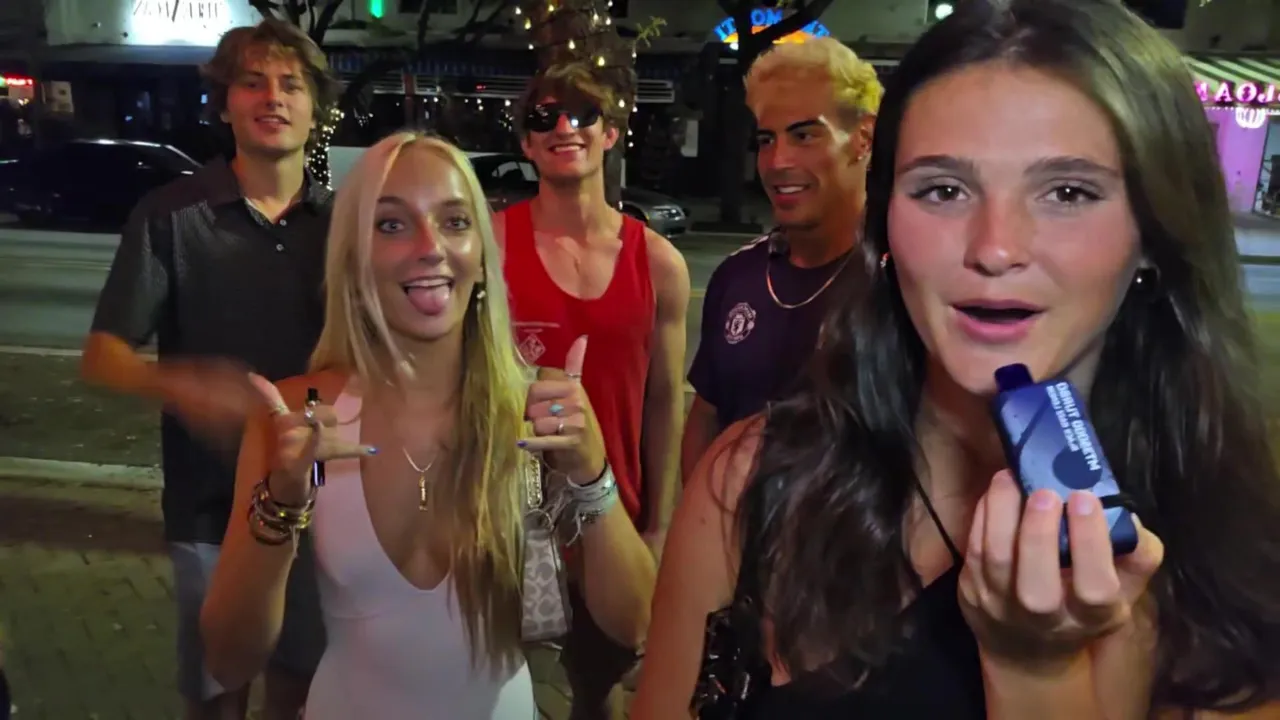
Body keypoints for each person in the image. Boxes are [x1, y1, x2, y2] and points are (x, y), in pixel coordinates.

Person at [634, 0, 1280, 717]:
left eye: (1068, 192)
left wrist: (1036, 672)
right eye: (943, 190)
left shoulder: (1231, 571)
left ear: (1154, 235)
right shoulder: (750, 483)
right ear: (885, 223)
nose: (994, 247)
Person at [199, 132, 657, 719]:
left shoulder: (536, 407)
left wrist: (592, 474)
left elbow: (635, 624)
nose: (430, 247)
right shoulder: (296, 414)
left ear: (483, 255)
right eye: (392, 224)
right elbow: (228, 660)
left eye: (455, 222)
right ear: (354, 259)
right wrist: (280, 506)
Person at [80, 19, 339, 720]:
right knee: (220, 691)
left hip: (321, 500)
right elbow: (103, 353)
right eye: (252, 82)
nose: (272, 96)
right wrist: (183, 383)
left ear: (315, 108)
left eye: (291, 85)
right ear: (224, 104)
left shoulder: (344, 225)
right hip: (209, 505)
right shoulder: (171, 215)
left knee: (301, 687)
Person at [496, 63, 690, 718]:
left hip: (611, 519)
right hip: (505, 521)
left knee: (598, 691)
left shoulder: (657, 261)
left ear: (610, 134)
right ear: (527, 143)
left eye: (582, 115)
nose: (563, 128)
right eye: (544, 118)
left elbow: (664, 400)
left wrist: (658, 525)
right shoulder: (490, 248)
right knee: (495, 683)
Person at [681, 38, 880, 480]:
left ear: (863, 138)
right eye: (766, 140)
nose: (777, 161)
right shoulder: (737, 276)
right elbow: (707, 418)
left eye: (804, 135)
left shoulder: (900, 283)